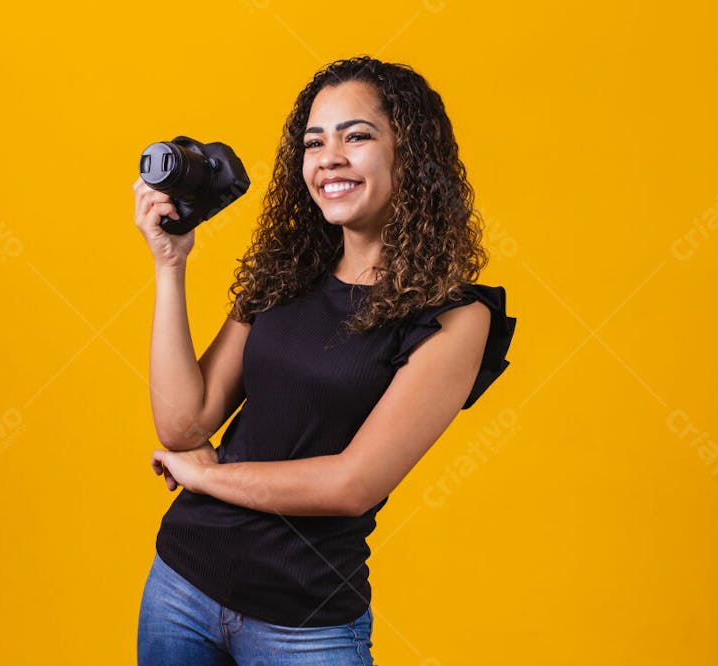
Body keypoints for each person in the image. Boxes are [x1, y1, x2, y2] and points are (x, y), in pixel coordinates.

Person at [132, 55, 516, 666]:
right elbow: (184, 424)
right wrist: (169, 265)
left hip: (303, 626)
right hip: (182, 589)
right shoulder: (285, 275)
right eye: (315, 142)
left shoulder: (454, 317)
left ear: (409, 155)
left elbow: (351, 484)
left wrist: (204, 477)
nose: (329, 157)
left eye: (356, 136)